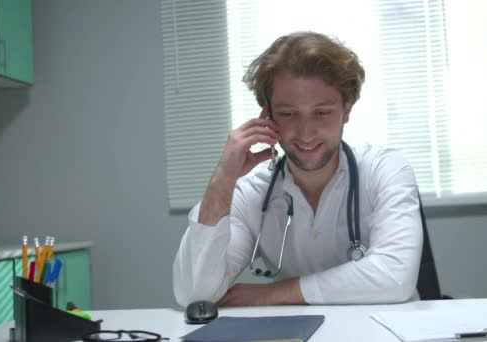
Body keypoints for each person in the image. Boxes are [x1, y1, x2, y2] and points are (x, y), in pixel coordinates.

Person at [173, 31, 423, 307]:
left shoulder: (384, 170)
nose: (305, 132)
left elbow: (396, 277)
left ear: (347, 110)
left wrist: (276, 293)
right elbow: (195, 295)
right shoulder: (253, 194)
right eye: (289, 114)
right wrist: (223, 178)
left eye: (322, 112)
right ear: (267, 115)